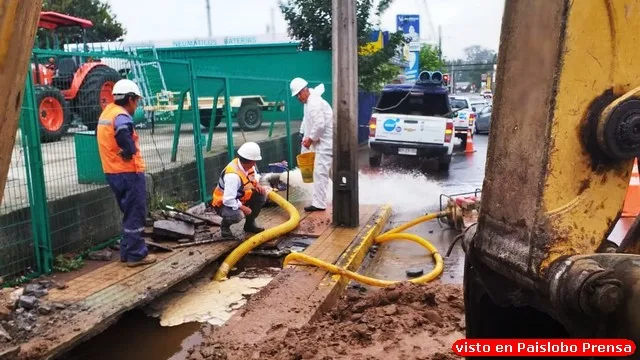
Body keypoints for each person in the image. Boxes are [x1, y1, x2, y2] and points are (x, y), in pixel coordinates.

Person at [97, 79, 156, 267]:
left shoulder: (108, 113)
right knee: (135, 213)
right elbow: (123, 132)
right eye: (136, 101)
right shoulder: (122, 116)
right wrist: (129, 150)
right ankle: (136, 255)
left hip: (113, 172)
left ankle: (127, 251)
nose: (136, 105)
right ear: (130, 99)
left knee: (128, 212)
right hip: (128, 172)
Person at [290, 77, 334, 212]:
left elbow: (319, 125)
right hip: (320, 143)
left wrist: (310, 139)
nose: (298, 97)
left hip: (325, 143)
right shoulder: (309, 102)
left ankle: (319, 203)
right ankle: (323, 200)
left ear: (304, 90)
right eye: (296, 95)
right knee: (322, 172)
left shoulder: (314, 102)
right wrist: (302, 133)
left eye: (299, 94)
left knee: (320, 173)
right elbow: (307, 119)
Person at [212, 142, 268, 239]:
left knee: (261, 195)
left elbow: (254, 176)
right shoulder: (233, 176)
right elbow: (228, 200)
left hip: (240, 198)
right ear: (251, 160)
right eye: (254, 160)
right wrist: (244, 208)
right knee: (237, 215)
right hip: (223, 204)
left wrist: (257, 184)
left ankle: (249, 225)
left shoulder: (247, 166)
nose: (255, 163)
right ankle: (225, 228)